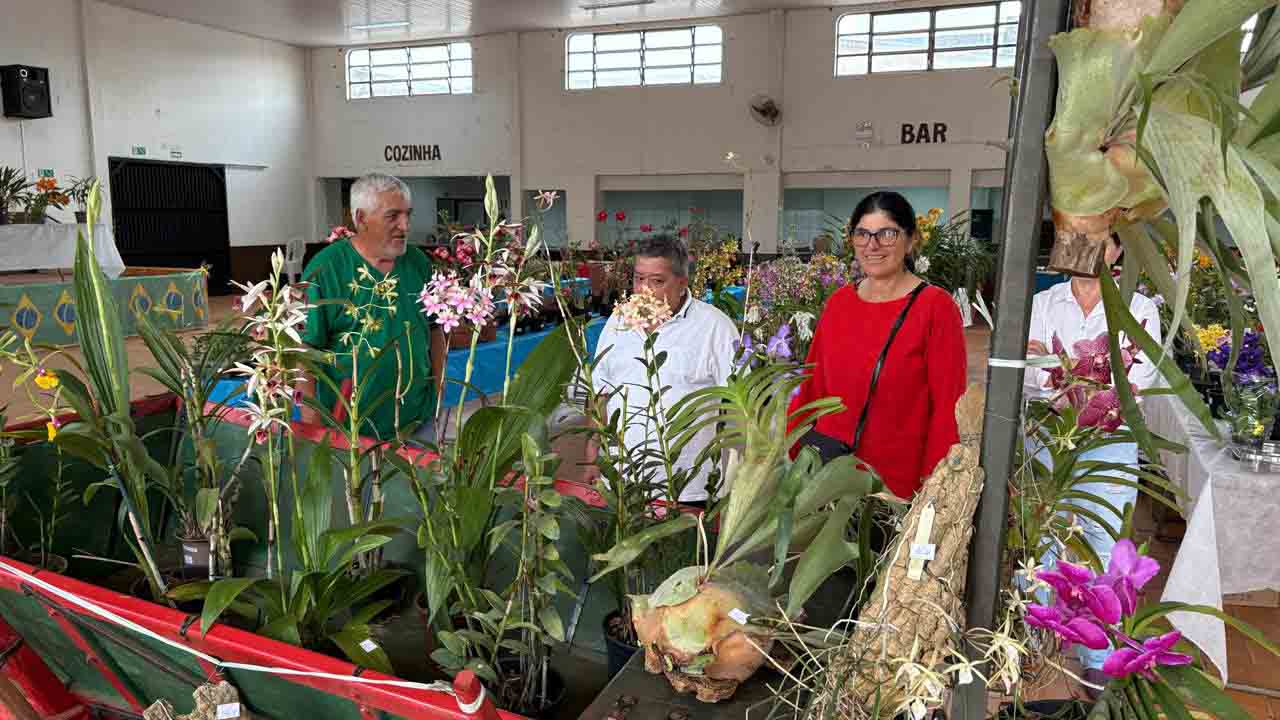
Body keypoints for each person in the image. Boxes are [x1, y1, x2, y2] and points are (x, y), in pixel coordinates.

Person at [1024, 234, 1161, 690]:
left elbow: (1136, 381)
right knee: (1041, 533)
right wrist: (1092, 377)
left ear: (1118, 250)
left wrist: (1061, 372)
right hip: (1049, 435)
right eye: (1079, 240)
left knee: (1104, 538)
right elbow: (1029, 373)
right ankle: (1034, 638)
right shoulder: (1043, 302)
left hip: (1109, 439)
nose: (1088, 250)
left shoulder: (1139, 308)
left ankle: (1098, 654)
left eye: (1102, 243)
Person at [787, 191, 967, 499]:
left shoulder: (936, 308)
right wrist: (791, 454)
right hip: (826, 477)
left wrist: (934, 486)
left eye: (887, 234)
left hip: (893, 488)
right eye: (863, 234)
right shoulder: (840, 303)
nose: (873, 245)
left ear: (911, 240)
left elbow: (948, 407)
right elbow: (812, 387)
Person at [585, 234, 739, 504]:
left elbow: (740, 400)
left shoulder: (715, 328)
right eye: (638, 279)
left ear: (682, 283)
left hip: (687, 486)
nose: (644, 290)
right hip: (621, 480)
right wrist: (591, 456)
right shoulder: (618, 321)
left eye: (657, 281)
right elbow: (600, 391)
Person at [298, 172, 444, 442]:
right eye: (393, 216)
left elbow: (435, 330)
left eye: (408, 215)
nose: (405, 226)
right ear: (361, 218)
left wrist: (438, 392)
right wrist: (312, 427)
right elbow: (305, 352)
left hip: (418, 423)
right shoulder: (326, 269)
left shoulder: (419, 263)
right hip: (350, 431)